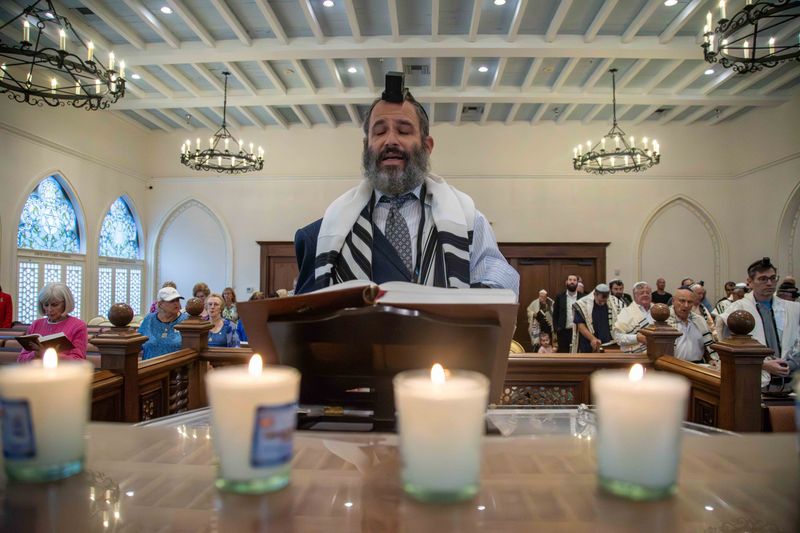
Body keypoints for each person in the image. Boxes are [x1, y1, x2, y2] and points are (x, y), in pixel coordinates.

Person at [293, 79, 519, 296]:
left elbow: (498, 289)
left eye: (403, 131)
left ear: (427, 146)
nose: (390, 140)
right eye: (379, 132)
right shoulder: (327, 233)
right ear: (366, 146)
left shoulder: (469, 220)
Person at [719, 258, 800, 392]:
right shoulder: (736, 311)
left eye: (773, 278)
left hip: (790, 383)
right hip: (753, 382)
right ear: (750, 282)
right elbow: (729, 351)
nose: (769, 283)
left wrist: (790, 364)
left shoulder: (794, 309)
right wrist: (764, 365)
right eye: (763, 279)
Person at [18, 283, 87, 362]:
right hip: (36, 372)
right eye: (46, 305)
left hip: (64, 373)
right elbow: (20, 360)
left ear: (65, 304)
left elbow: (78, 361)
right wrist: (35, 354)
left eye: (55, 305)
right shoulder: (36, 324)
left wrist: (47, 354)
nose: (49, 309)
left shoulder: (78, 326)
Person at [668, 286, 718, 365]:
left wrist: (710, 360)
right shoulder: (665, 320)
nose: (686, 305)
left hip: (697, 366)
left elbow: (706, 345)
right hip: (673, 366)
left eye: (690, 302)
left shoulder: (699, 321)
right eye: (682, 301)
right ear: (673, 301)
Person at [139, 287, 188, 360]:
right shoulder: (149, 319)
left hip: (175, 368)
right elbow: (137, 343)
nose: (176, 303)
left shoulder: (185, 320)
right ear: (160, 304)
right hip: (149, 367)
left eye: (177, 300)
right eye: (172, 301)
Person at [572, 284, 618, 353]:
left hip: (608, 345)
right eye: (600, 301)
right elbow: (581, 326)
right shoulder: (582, 304)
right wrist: (592, 339)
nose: (602, 303)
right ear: (594, 294)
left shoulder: (614, 303)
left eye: (604, 301)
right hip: (588, 344)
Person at [612, 281, 654, 354]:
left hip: (657, 356)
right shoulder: (626, 312)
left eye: (648, 292)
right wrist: (637, 338)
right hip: (635, 357)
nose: (645, 295)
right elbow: (618, 337)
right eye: (641, 293)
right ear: (635, 295)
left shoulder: (658, 310)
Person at [553, 275, 580, 353]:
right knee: (563, 354)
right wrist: (556, 328)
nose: (572, 282)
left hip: (578, 332)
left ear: (577, 283)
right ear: (566, 282)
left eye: (574, 280)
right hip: (563, 331)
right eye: (570, 280)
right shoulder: (559, 297)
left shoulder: (583, 297)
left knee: (577, 354)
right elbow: (555, 314)